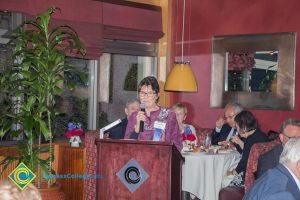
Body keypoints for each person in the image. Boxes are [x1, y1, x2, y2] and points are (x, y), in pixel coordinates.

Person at [124, 76, 183, 151]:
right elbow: (126, 145)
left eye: (150, 93)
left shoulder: (169, 116)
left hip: (161, 159)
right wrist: (137, 128)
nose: (145, 97)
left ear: (157, 95)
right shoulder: (134, 116)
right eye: (142, 93)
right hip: (137, 159)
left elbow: (177, 144)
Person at [227, 111, 269, 187]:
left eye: (237, 126)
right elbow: (250, 152)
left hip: (251, 178)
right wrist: (239, 142)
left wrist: (233, 172)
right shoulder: (260, 134)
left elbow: (244, 161)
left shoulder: (250, 140)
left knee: (225, 180)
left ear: (244, 126)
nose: (236, 129)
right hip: (263, 175)